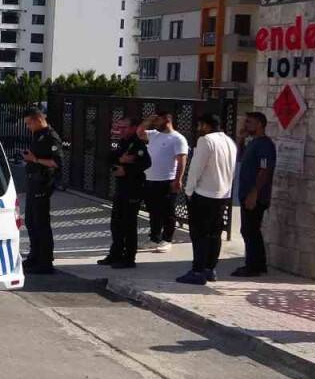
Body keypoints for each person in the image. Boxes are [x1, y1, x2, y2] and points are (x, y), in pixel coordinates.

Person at [177, 113, 238, 285]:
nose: (198, 129)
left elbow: (196, 168)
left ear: (206, 125)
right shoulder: (230, 142)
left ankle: (197, 271)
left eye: (200, 126)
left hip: (204, 194)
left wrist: (188, 192)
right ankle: (210, 269)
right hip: (222, 194)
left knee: (199, 235)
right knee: (214, 234)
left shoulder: (206, 141)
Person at [100, 116, 151, 269]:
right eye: (119, 127)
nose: (120, 130)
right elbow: (110, 158)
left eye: (124, 127)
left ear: (133, 128)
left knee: (129, 223)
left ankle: (129, 258)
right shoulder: (123, 143)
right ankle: (115, 253)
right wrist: (120, 161)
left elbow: (146, 163)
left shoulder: (138, 144)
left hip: (133, 188)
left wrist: (127, 168)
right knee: (116, 222)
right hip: (121, 187)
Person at [137, 110, 188, 253]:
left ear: (167, 119)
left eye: (157, 120)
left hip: (167, 180)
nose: (155, 123)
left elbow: (182, 160)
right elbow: (140, 132)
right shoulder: (154, 134)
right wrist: (148, 120)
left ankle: (167, 239)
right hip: (150, 179)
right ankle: (154, 238)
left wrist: (178, 180)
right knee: (153, 211)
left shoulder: (177, 138)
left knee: (167, 212)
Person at [232, 112, 276, 277]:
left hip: (256, 196)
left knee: (250, 230)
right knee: (251, 230)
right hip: (248, 193)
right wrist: (241, 138)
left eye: (249, 122)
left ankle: (252, 266)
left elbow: (265, 170)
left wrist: (254, 193)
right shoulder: (253, 143)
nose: (245, 125)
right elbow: (239, 157)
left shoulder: (265, 145)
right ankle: (259, 264)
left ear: (259, 124)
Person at [21, 107, 63, 274]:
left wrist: (35, 159)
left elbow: (56, 163)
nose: (28, 127)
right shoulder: (37, 135)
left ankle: (45, 262)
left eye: (29, 123)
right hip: (33, 183)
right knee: (31, 221)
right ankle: (34, 256)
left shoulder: (51, 137)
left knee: (41, 223)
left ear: (38, 120)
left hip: (43, 183)